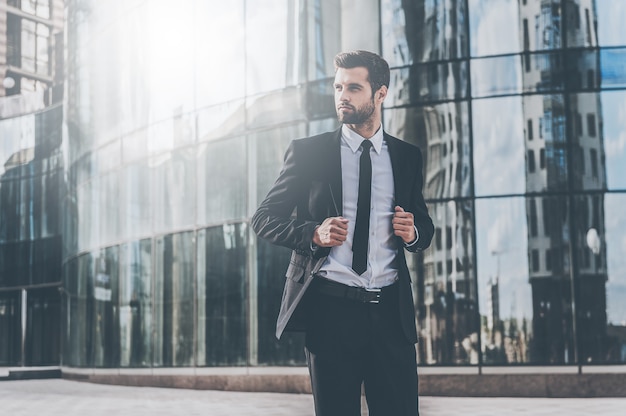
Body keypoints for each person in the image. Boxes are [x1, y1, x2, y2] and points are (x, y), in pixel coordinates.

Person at [251, 50, 434, 416]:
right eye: (338, 87)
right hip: (330, 313)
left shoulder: (406, 156)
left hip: (390, 317)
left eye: (353, 87)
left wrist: (413, 232)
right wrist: (313, 233)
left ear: (380, 93)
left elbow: (424, 227)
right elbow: (263, 218)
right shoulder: (309, 153)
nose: (342, 96)